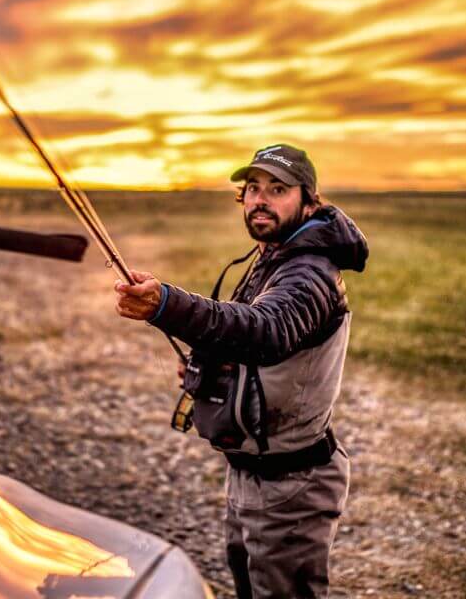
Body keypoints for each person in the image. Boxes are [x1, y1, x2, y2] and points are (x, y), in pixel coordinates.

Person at [115, 143, 368, 599]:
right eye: (252, 188)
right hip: (253, 473)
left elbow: (267, 331)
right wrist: (209, 370)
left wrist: (168, 305)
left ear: (309, 201)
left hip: (292, 486)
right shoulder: (272, 256)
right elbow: (243, 342)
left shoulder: (309, 271)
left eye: (277, 188)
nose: (259, 199)